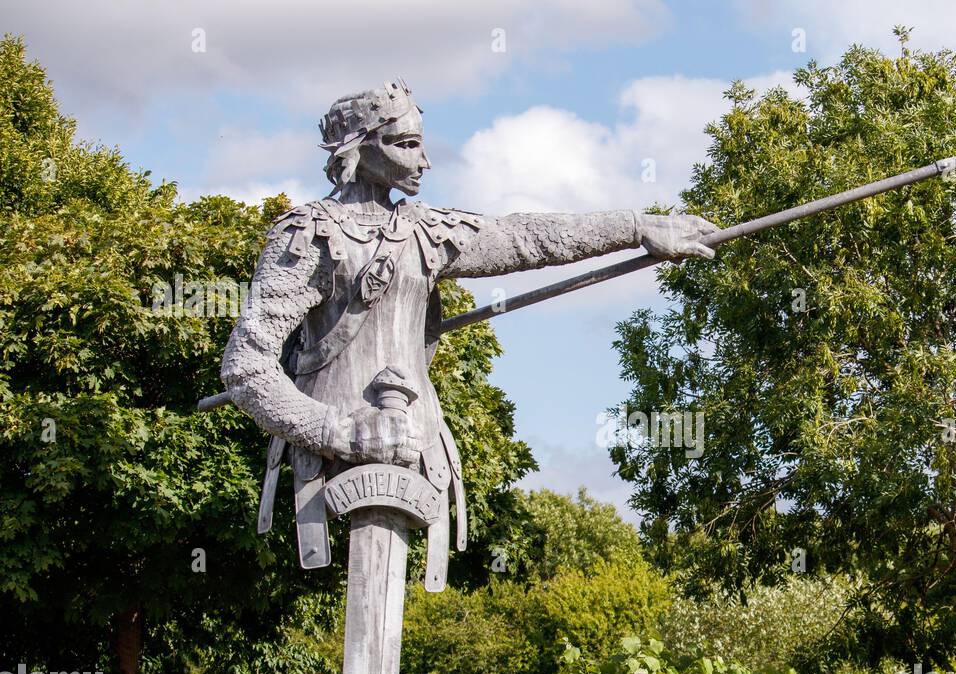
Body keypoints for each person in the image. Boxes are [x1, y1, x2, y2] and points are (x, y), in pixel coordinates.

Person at [219, 79, 717, 584]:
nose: (424, 161)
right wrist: (339, 431)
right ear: (358, 149)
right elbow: (245, 367)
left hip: (417, 440)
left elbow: (524, 238)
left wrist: (637, 227)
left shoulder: (426, 232)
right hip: (331, 452)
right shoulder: (306, 236)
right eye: (406, 145)